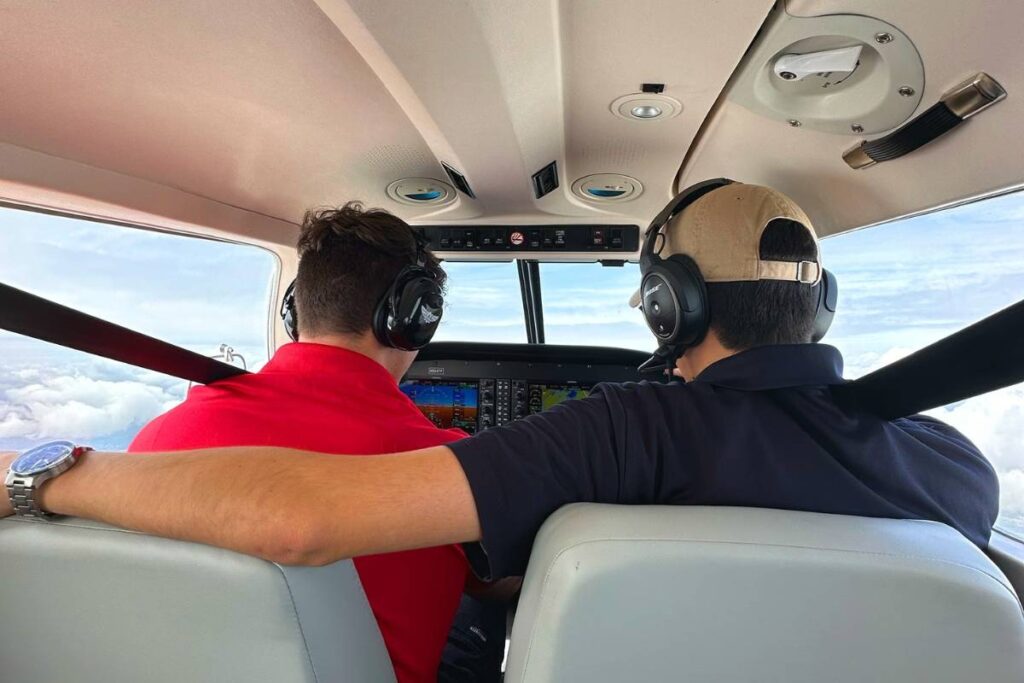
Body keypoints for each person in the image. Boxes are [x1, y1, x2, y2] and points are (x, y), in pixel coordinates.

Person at [3, 182, 998, 591]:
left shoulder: (625, 430)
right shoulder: (959, 472)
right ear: (818, 302)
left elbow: (303, 516)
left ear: (665, 305)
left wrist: (44, 477)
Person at [127, 201, 480, 683]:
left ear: (296, 308)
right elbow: (502, 581)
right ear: (414, 318)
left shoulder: (159, 438)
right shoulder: (445, 466)